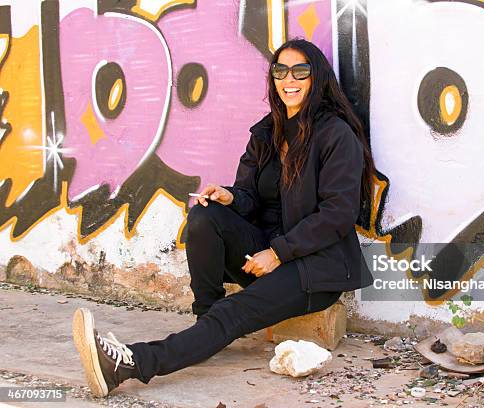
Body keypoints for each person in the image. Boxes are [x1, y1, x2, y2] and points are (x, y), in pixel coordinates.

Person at [71, 38, 376, 397]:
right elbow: (251, 198)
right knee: (205, 216)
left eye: (300, 71)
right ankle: (207, 325)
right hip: (269, 252)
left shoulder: (335, 134)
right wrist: (231, 196)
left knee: (234, 311)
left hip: (315, 269)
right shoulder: (268, 132)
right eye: (280, 71)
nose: (288, 79)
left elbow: (338, 214)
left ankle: (129, 365)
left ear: (316, 78)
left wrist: (279, 252)